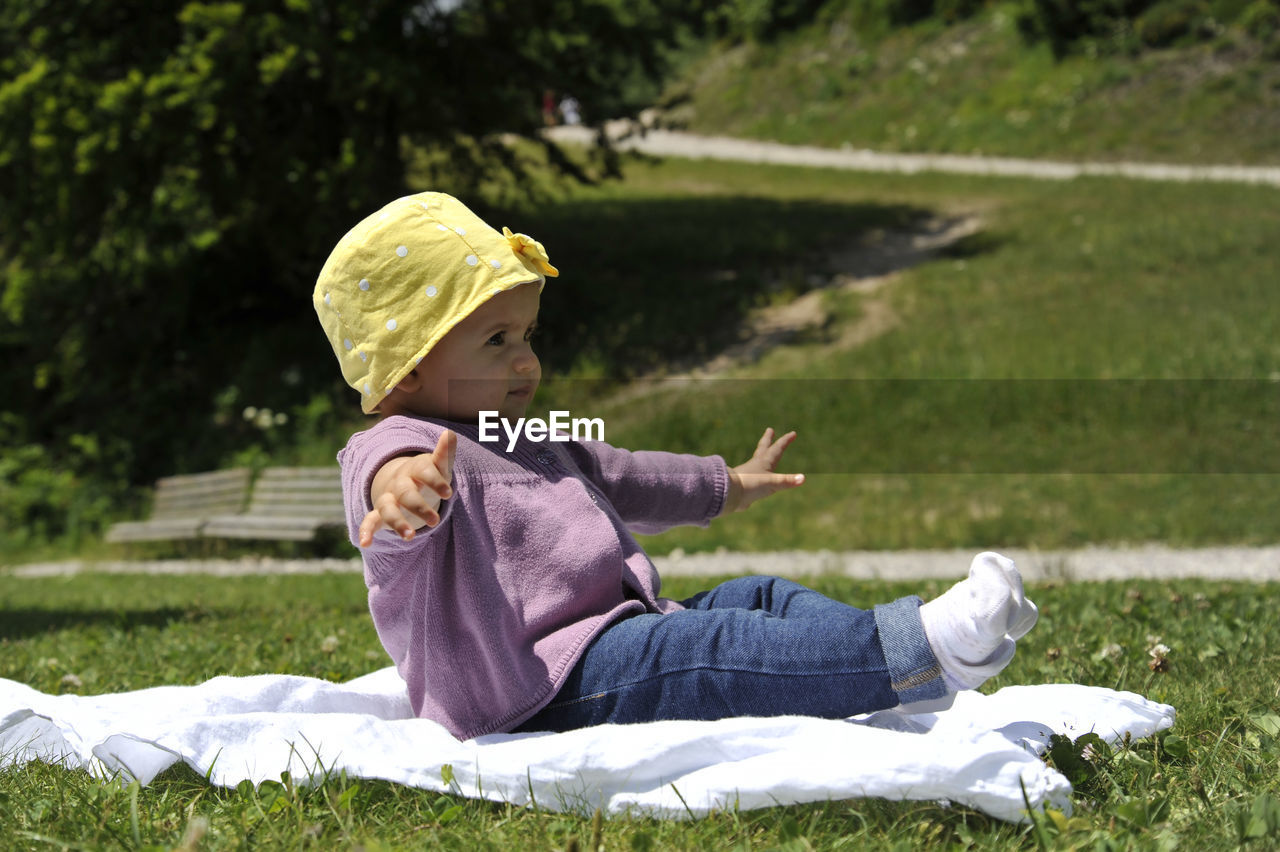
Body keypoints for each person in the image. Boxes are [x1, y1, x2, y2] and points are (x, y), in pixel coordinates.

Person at [313, 192, 1039, 741]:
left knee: (759, 597)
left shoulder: (524, 435)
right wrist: (406, 499)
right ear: (404, 370)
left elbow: (628, 475)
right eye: (496, 339)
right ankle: (920, 647)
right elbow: (385, 482)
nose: (526, 360)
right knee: (709, 648)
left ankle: (895, 669)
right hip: (529, 690)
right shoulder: (399, 447)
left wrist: (730, 483)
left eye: (529, 334)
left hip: (613, 642)